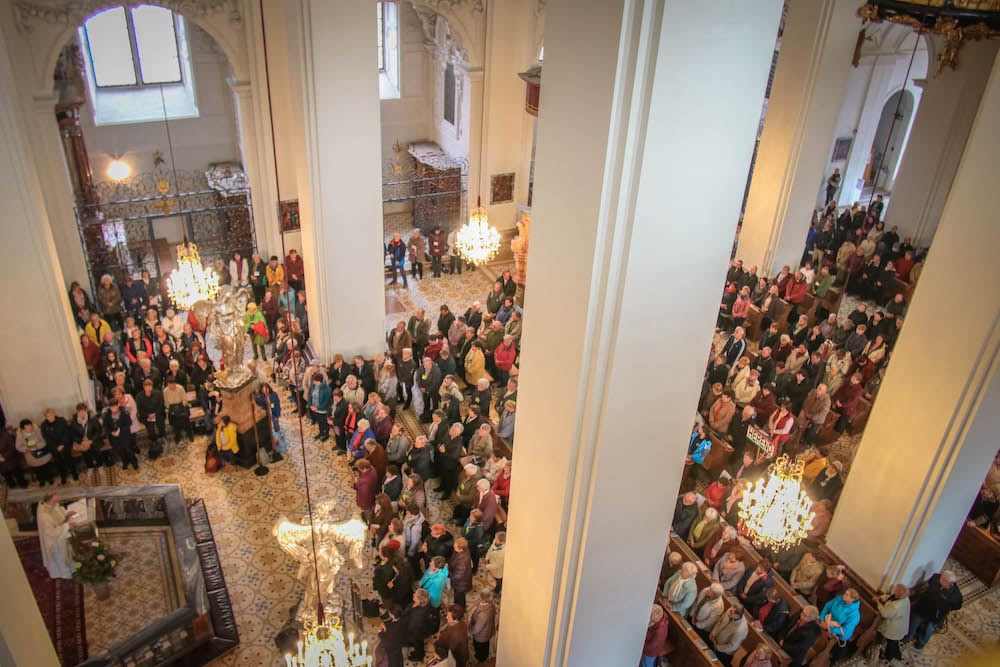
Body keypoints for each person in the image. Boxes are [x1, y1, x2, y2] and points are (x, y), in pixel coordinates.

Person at [907, 569, 962, 649]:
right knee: (914, 622)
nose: (940, 580)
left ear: (950, 583)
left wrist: (942, 609)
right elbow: (930, 584)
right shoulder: (936, 578)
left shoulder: (955, 596)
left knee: (929, 628)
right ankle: (907, 636)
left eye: (943, 580)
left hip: (935, 615)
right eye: (941, 577)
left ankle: (922, 641)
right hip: (923, 606)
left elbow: (957, 606)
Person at [37, 493, 77, 579]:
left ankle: (72, 569)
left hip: (62, 536)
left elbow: (59, 517)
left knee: (68, 554)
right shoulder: (43, 515)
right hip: (55, 542)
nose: (57, 503)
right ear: (47, 501)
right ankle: (65, 574)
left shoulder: (52, 505)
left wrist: (67, 515)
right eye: (54, 501)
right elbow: (51, 532)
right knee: (61, 558)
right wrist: (67, 526)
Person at [821, 588, 862, 663]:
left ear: (852, 599)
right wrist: (822, 619)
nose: (843, 595)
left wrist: (829, 628)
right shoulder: (839, 599)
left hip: (840, 634)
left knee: (835, 652)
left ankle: (832, 661)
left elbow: (846, 629)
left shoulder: (855, 614)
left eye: (846, 595)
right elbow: (827, 606)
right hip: (828, 623)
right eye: (844, 593)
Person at [875, 584, 910, 662]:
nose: (894, 591)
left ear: (899, 594)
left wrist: (878, 602)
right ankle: (898, 654)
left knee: (891, 643)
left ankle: (889, 656)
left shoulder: (897, 606)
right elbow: (890, 597)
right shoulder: (903, 598)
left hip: (894, 628)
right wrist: (881, 597)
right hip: (899, 624)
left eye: (896, 590)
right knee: (894, 642)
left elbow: (885, 613)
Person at [104, 397, 139, 470]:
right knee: (121, 452)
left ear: (118, 405)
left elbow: (129, 423)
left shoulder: (124, 412)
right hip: (115, 438)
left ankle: (134, 463)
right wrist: (111, 432)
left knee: (129, 450)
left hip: (125, 436)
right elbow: (106, 427)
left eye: (114, 406)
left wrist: (120, 430)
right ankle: (125, 462)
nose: (113, 409)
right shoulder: (107, 415)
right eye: (111, 407)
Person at [136, 379, 167, 458]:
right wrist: (148, 415)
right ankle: (153, 440)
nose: (148, 388)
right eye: (146, 386)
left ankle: (161, 437)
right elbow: (139, 409)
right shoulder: (139, 396)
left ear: (152, 386)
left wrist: (155, 414)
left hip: (157, 413)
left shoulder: (158, 393)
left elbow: (161, 405)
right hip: (146, 416)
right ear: (143, 387)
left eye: (149, 386)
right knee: (150, 428)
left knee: (160, 425)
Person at [469, 589, 496, 663]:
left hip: (480, 636)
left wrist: (470, 630)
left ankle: (481, 659)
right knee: (485, 646)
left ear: (483, 600)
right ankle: (485, 655)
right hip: (488, 631)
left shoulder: (482, 615)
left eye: (481, 597)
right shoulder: (491, 605)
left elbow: (477, 628)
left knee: (479, 648)